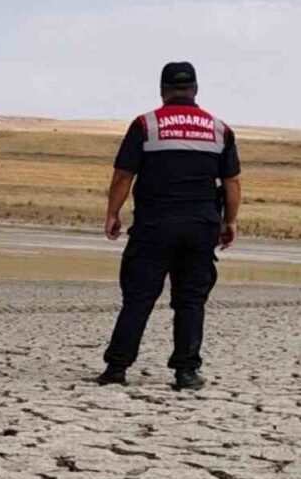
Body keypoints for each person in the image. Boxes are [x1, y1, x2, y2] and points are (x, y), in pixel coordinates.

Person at [97, 62, 242, 391]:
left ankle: (117, 367)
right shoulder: (220, 129)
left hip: (154, 225)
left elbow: (123, 174)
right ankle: (186, 372)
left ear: (162, 91)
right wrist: (230, 220)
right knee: (191, 300)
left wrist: (112, 213)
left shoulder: (145, 125)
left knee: (139, 297)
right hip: (200, 226)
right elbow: (232, 181)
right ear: (195, 89)